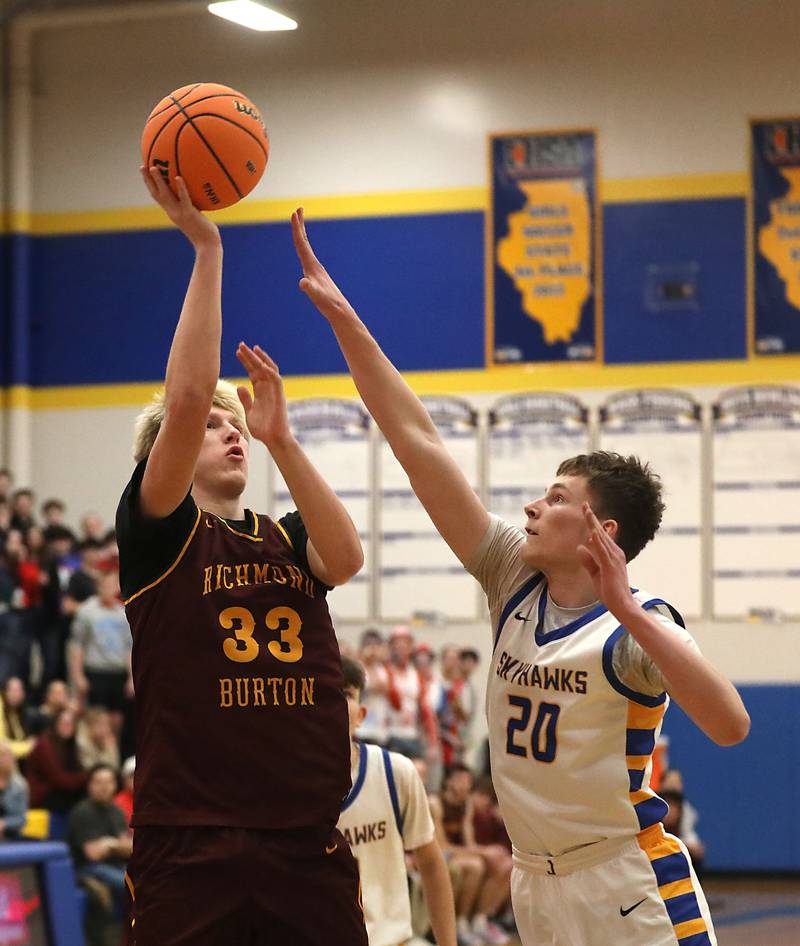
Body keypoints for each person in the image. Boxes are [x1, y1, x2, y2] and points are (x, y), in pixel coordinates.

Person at [291, 207, 751, 946]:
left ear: (602, 534)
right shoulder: (514, 577)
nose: (534, 506)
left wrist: (628, 610)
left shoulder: (638, 627)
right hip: (533, 882)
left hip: (625, 883)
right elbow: (418, 444)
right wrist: (345, 319)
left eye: (558, 499)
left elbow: (731, 725)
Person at [114, 168, 367, 946]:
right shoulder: (159, 531)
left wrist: (282, 438)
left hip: (305, 834)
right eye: (217, 426)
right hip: (192, 839)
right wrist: (207, 250)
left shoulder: (285, 537)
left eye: (239, 426)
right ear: (168, 454)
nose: (232, 431)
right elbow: (185, 401)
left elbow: (347, 557)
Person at [337, 656, 456, 946]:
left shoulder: (395, 771)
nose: (336, 703)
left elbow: (431, 863)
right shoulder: (286, 785)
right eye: (326, 692)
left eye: (346, 694)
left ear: (362, 714)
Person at [431, 764, 510, 945]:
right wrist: (483, 852)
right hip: (437, 854)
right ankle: (459, 922)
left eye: (468, 781)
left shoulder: (466, 804)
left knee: (504, 863)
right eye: (461, 780)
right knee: (476, 866)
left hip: (458, 853)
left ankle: (481, 920)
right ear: (448, 781)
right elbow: (441, 846)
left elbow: (469, 843)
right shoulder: (435, 803)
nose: (466, 786)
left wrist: (486, 852)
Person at [67, 763, 133, 918]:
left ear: (115, 785)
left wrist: (108, 844)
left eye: (109, 782)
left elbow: (129, 849)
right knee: (130, 883)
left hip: (115, 864)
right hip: (86, 868)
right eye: (99, 782)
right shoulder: (82, 812)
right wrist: (116, 845)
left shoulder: (116, 811)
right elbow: (93, 854)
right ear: (90, 785)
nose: (104, 787)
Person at [69, 569, 132, 726]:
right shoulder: (87, 611)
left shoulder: (123, 613)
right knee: (96, 717)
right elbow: (77, 645)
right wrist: (78, 676)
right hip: (96, 670)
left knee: (117, 718)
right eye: (106, 585)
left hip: (118, 671)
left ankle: (113, 749)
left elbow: (129, 648)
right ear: (99, 586)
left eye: (112, 585)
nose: (109, 589)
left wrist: (131, 678)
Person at [26, 707, 88, 813]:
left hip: (60, 790)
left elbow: (76, 770)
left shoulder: (69, 745)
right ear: (55, 724)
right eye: (63, 723)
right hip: (43, 795)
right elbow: (58, 779)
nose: (67, 727)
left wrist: (85, 778)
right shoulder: (44, 744)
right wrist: (87, 777)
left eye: (70, 724)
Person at [0, 740, 29, 840]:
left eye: (9, 757)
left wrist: (3, 824)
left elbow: (22, 819)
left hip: (11, 836)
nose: (6, 760)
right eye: (2, 756)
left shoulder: (20, 785)